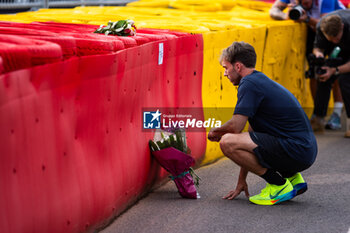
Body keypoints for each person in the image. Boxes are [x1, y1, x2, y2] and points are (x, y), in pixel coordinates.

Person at [208, 42, 317, 205]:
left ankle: (279, 185)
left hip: (297, 150)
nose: (225, 74)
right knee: (237, 140)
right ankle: (293, 179)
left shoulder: (249, 84)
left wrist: (215, 132)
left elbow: (235, 127)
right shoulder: (258, 80)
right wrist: (241, 180)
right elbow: (250, 138)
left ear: (237, 66)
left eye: (226, 68)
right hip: (304, 151)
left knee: (226, 141)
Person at [270, 0, 346, 131]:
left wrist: (307, 18)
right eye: (302, 2)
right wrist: (286, 16)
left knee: (336, 71)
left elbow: (324, 25)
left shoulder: (326, 2)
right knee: (315, 71)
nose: (305, 3)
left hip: (335, 29)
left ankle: (337, 113)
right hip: (315, 31)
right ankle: (318, 114)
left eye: (307, 1)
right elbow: (273, 10)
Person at [312, 9, 350, 138]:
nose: (334, 41)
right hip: (339, 51)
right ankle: (318, 118)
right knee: (323, 74)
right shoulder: (322, 26)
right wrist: (319, 55)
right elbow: (318, 47)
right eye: (330, 39)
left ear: (342, 27)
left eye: (336, 38)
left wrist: (335, 70)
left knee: (345, 80)